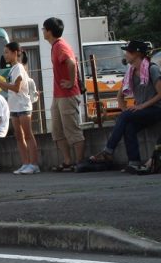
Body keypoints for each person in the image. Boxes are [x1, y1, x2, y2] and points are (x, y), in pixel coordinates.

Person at [89, 40, 161, 173]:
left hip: (156, 109)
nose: (125, 54)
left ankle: (108, 151)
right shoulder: (130, 72)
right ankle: (134, 162)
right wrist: (125, 112)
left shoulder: (152, 69)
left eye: (128, 51)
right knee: (128, 126)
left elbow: (160, 94)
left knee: (126, 116)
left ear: (137, 54)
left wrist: (141, 106)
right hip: (143, 111)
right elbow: (119, 96)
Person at [43, 17, 83, 171]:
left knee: (72, 130)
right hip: (58, 95)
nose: (43, 32)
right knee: (58, 131)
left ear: (49, 31)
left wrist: (72, 82)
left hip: (67, 94)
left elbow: (71, 63)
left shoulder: (60, 46)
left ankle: (79, 162)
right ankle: (68, 161)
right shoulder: (55, 46)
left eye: (44, 29)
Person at [0, 42, 40, 174]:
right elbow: (9, 89)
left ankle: (34, 164)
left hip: (23, 106)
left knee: (28, 135)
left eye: (7, 52)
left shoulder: (19, 68)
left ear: (15, 53)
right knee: (19, 136)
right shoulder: (12, 69)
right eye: (4, 52)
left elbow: (16, 88)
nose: (5, 55)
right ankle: (26, 163)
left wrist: (1, 82)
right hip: (14, 107)